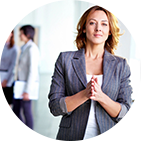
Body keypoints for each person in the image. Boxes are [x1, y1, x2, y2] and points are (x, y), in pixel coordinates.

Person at [48, 5, 132, 141]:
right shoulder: (65, 60)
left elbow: (124, 113)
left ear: (110, 30)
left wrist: (101, 97)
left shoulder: (120, 65)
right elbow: (55, 107)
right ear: (84, 28)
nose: (98, 28)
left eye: (104, 24)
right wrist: (84, 94)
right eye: (92, 23)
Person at [12, 25, 39, 141]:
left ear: (27, 34)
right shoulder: (24, 47)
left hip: (25, 87)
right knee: (16, 111)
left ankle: (27, 138)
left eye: (21, 33)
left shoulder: (32, 48)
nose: (19, 35)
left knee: (27, 113)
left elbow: (33, 70)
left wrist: (27, 90)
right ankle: (23, 136)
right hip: (19, 85)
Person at [0, 24, 17, 141]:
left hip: (7, 81)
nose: (3, 35)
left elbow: (12, 66)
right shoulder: (1, 47)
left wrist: (6, 81)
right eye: (2, 32)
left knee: (7, 110)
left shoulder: (14, 48)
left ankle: (5, 136)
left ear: (11, 34)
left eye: (6, 32)